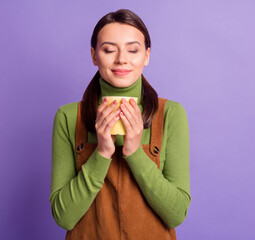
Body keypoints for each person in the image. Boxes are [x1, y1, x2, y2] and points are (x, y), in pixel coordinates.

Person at [50, 9, 191, 240]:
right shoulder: (68, 117)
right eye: (108, 49)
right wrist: (102, 152)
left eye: (133, 50)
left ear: (146, 55)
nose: (121, 59)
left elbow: (176, 214)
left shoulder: (171, 115)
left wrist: (135, 153)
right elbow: (63, 217)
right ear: (94, 55)